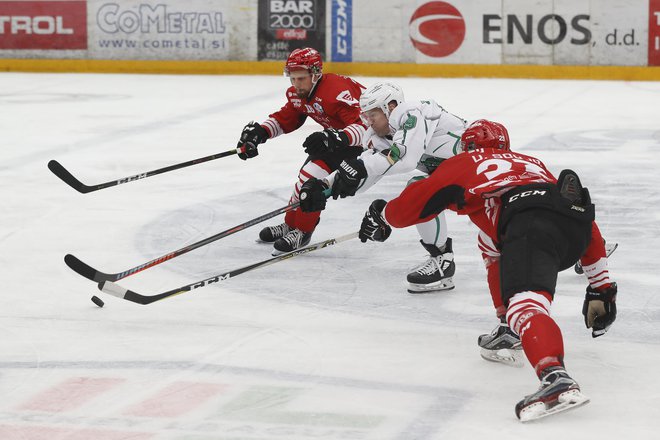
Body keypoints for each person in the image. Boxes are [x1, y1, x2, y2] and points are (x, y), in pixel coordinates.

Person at [356, 119, 618, 422]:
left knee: (527, 306)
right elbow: (578, 218)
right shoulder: (531, 164)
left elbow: (415, 204)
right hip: (572, 227)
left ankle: (556, 379)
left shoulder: (464, 162)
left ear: (467, 146)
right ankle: (511, 327)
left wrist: (382, 214)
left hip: (528, 224)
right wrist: (601, 288)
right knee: (498, 253)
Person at [299, 82, 468, 293]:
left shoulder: (411, 113)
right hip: (459, 177)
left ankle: (443, 260)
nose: (369, 123)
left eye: (373, 115)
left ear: (391, 106)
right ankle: (442, 260)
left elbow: (403, 158)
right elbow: (370, 168)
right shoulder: (386, 134)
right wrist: (326, 186)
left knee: (420, 190)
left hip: (480, 170)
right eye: (366, 116)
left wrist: (360, 168)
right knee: (421, 190)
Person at [236, 47, 366, 255]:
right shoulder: (300, 93)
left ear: (315, 74)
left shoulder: (337, 92)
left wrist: (335, 137)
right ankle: (291, 225)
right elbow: (287, 118)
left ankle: (303, 231)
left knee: (311, 178)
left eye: (301, 79)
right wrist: (261, 132)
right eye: (293, 79)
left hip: (364, 145)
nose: (296, 84)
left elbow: (365, 127)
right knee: (305, 180)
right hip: (337, 140)